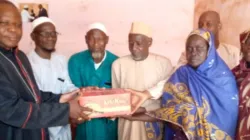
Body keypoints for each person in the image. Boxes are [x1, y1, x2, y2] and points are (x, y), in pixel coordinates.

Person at [0, 1, 90, 139]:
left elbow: (32, 94)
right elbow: (12, 109)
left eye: (18, 25)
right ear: (34, 37)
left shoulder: (19, 56)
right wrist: (66, 110)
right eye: (5, 23)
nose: (13, 29)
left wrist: (61, 98)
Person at [147, 29, 238, 139]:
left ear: (209, 50)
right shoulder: (182, 73)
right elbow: (168, 104)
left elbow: (227, 119)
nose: (193, 53)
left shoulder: (224, 80)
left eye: (199, 48)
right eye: (189, 49)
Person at [112, 22, 173, 140]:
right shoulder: (118, 64)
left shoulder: (163, 64)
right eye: (131, 43)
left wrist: (143, 109)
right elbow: (116, 99)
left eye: (139, 43)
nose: (134, 48)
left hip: (152, 124)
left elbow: (167, 101)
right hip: (127, 127)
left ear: (149, 42)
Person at [28, 17, 78, 140]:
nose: (51, 37)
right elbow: (33, 99)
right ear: (33, 36)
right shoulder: (27, 63)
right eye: (45, 34)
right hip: (41, 126)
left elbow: (68, 86)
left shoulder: (61, 60)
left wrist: (80, 93)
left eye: (53, 33)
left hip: (62, 124)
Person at [68, 22, 118, 140]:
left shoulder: (116, 63)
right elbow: (71, 92)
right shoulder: (75, 61)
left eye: (100, 39)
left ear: (107, 40)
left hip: (108, 126)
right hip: (83, 123)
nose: (96, 44)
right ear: (86, 39)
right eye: (92, 39)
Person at [232, 29, 250, 140]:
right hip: (236, 130)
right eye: (247, 43)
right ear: (241, 47)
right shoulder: (232, 75)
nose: (249, 47)